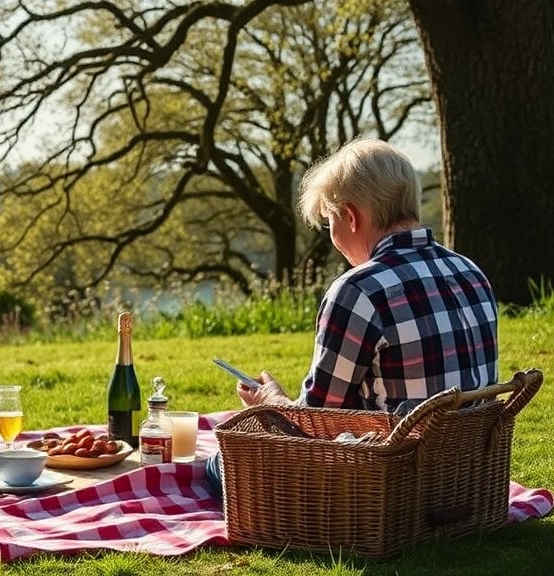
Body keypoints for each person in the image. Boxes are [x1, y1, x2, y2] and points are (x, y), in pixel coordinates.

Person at [207, 138, 499, 492]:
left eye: (329, 220)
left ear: (350, 216)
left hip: (391, 487)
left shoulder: (359, 290)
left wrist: (272, 403)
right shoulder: (470, 272)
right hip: (469, 477)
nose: (332, 234)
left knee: (218, 463)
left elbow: (316, 423)